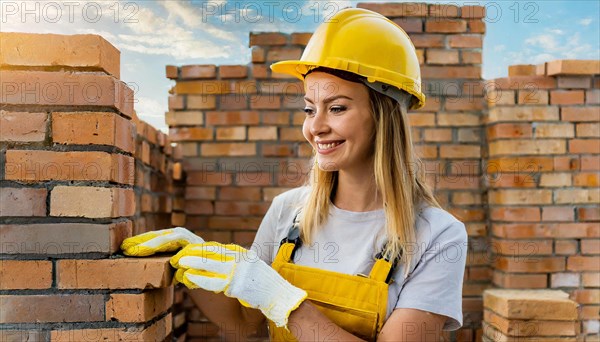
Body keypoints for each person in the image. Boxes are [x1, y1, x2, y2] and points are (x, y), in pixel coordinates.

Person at [122, 7, 468, 342]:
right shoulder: (288, 213)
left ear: (384, 115)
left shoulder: (437, 236)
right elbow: (244, 324)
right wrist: (196, 263)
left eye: (336, 108)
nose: (315, 127)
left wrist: (286, 303)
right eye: (309, 109)